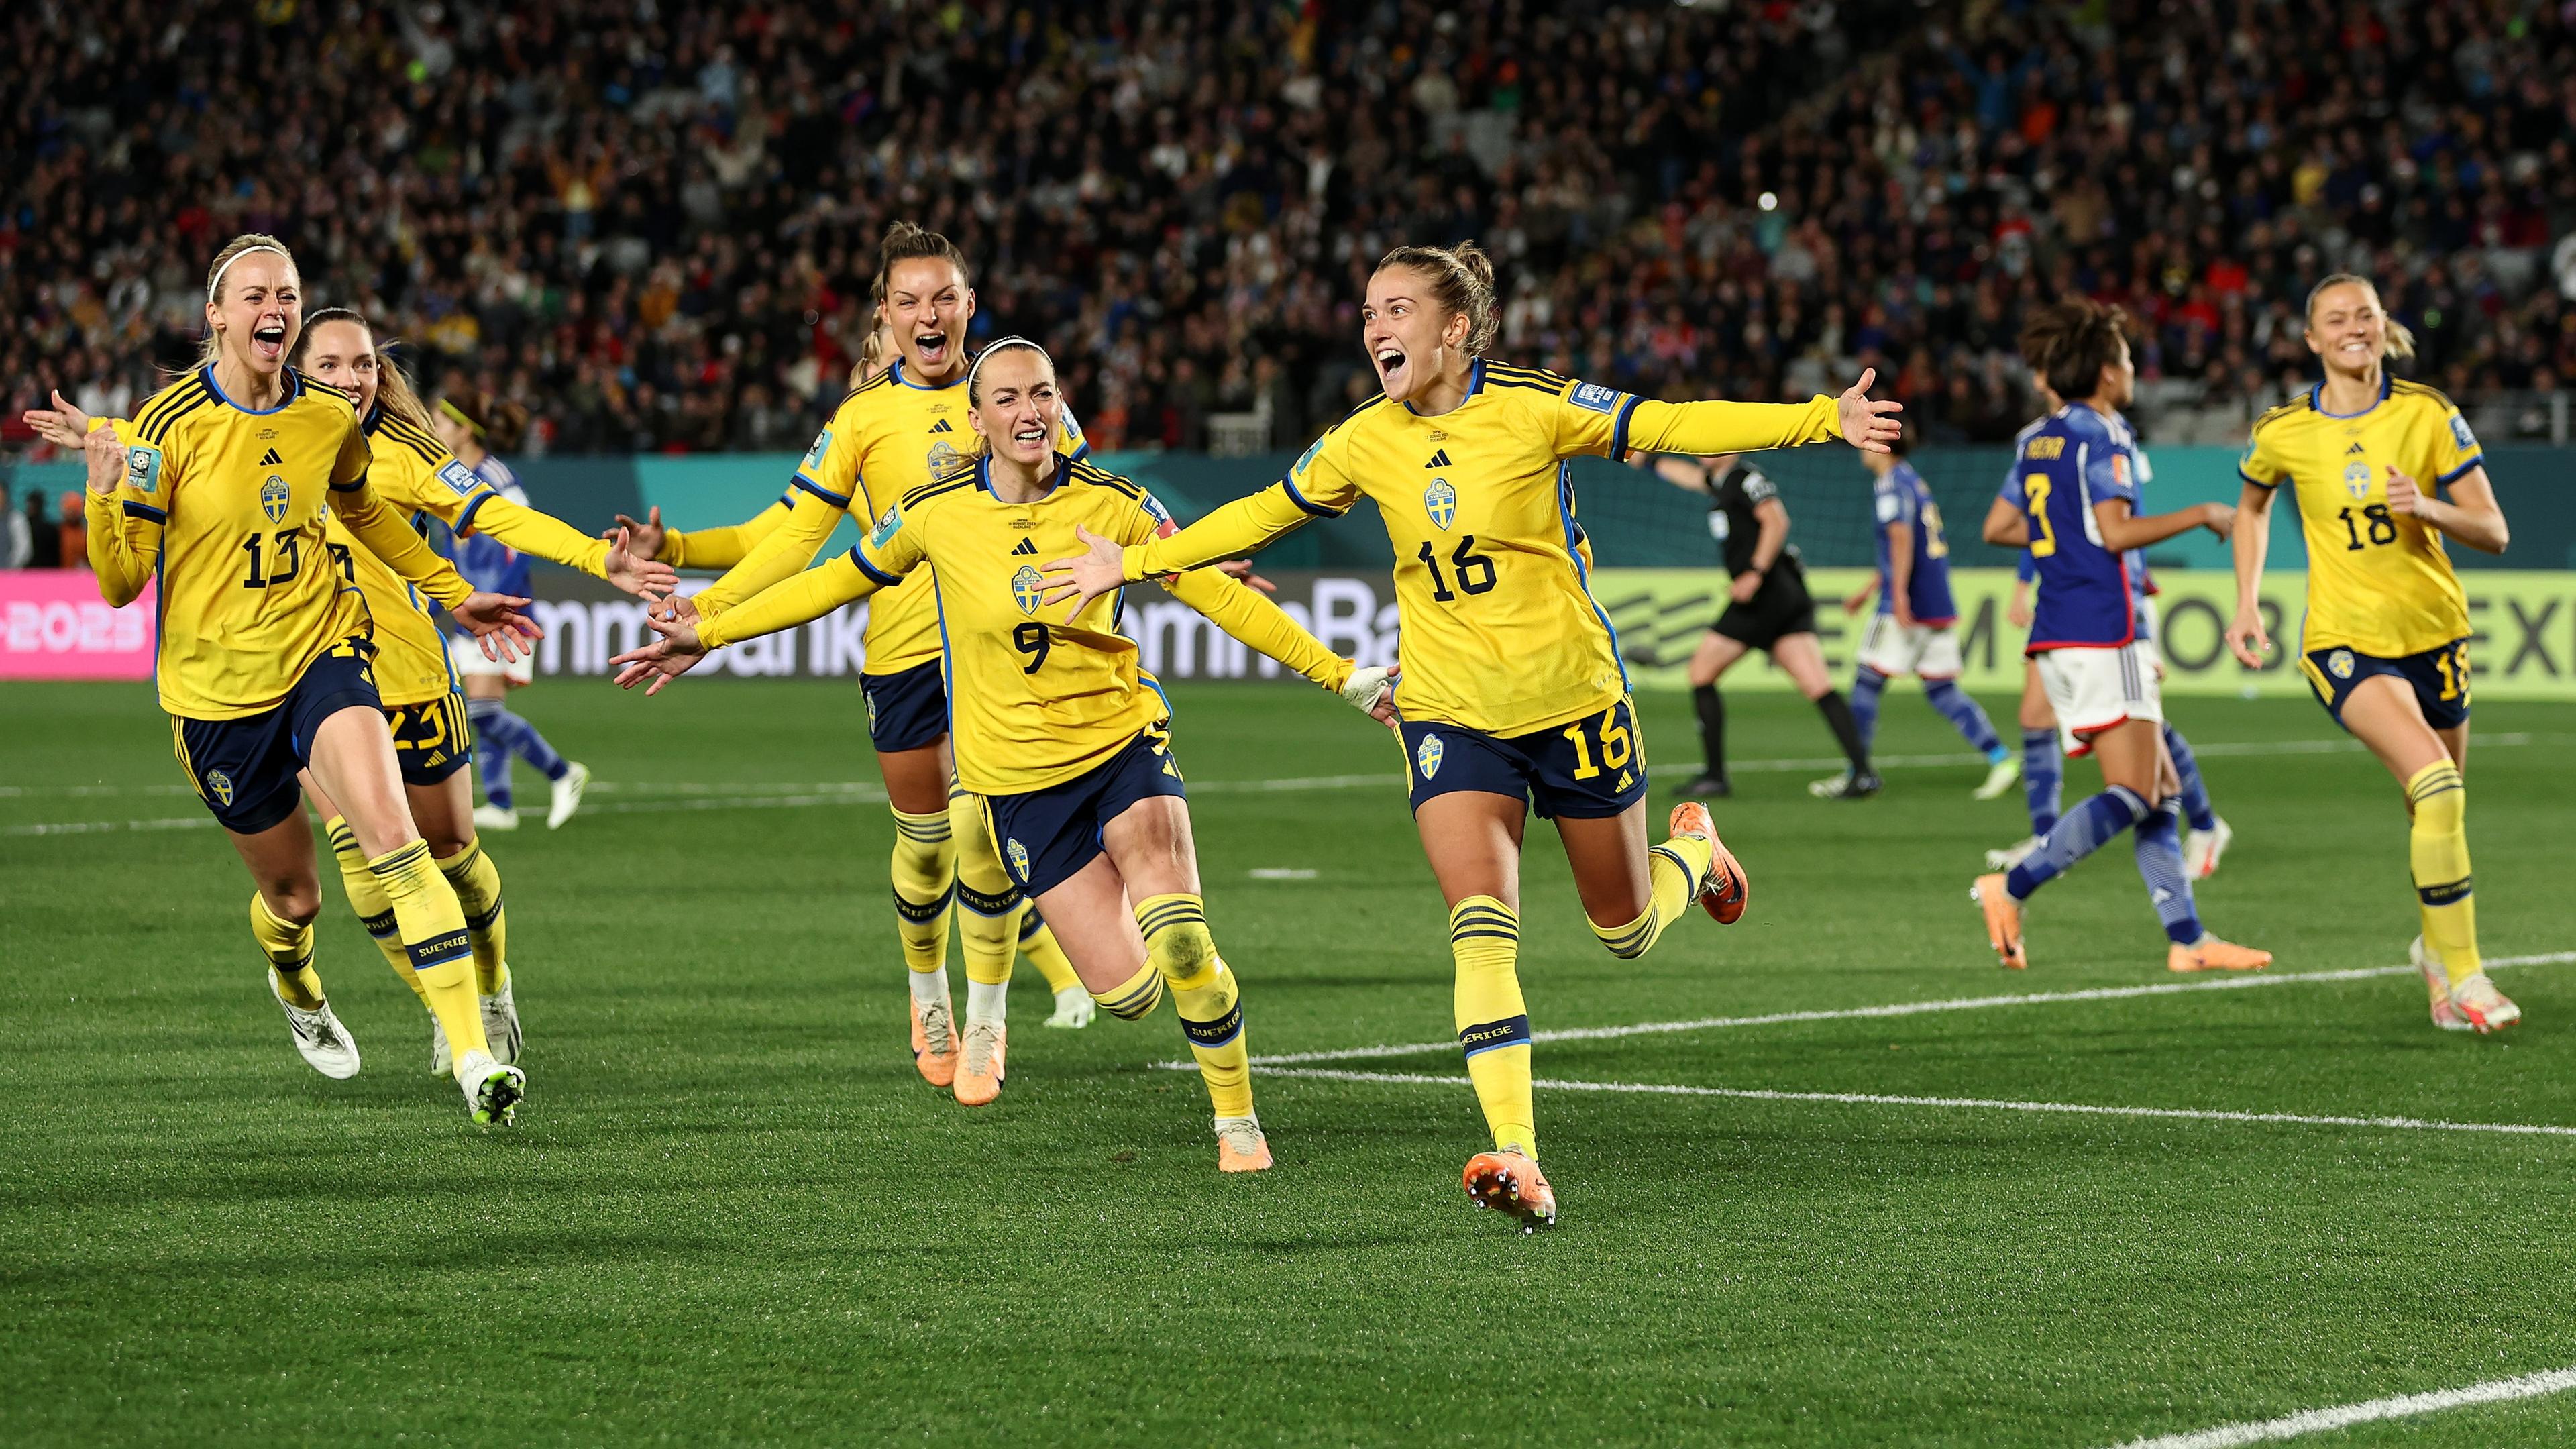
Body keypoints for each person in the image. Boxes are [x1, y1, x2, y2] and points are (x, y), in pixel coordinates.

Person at [1046, 242, 1899, 1229]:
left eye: (1396, 310)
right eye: (1368, 312)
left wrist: (1819, 420)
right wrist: (1140, 560)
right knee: (1480, 930)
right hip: (1449, 713)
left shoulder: (1536, 407)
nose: (1375, 329)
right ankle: (1518, 1155)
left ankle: (1695, 849)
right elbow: (1264, 512)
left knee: (1621, 930)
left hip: (1574, 701)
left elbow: (1669, 423)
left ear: (1455, 327)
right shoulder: (1364, 439)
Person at [611, 339, 1390, 1158]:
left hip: (1122, 745)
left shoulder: (1115, 503)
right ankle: (1124, 944)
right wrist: (711, 630)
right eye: (1010, 400)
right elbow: (828, 581)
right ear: (976, 419)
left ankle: (1238, 1124)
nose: (1030, 413)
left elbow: (1218, 600)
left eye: (1044, 396)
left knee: (1186, 942)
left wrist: (1345, 677)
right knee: (1130, 994)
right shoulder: (934, 512)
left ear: (1062, 406)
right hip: (1021, 786)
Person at [24, 233, 538, 1123]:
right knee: (294, 895)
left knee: (394, 839)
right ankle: (293, 976)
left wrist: (455, 595)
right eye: (257, 295)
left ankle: (470, 1060)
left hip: (322, 656)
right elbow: (118, 586)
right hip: (216, 699)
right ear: (216, 316)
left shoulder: (327, 419)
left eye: (290, 295)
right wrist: (106, 490)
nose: (277, 309)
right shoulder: (161, 429)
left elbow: (363, 510)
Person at [637, 225, 1099, 1093]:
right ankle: (929, 996)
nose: (929, 314)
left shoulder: (1019, 395)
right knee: (924, 847)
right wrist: (705, 607)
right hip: (902, 661)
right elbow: (793, 542)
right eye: (909, 301)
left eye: (944, 298)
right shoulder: (861, 420)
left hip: (998, 655)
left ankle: (988, 1027)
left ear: (969, 305)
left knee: (978, 834)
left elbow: (1098, 506)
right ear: (884, 317)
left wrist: (1183, 553)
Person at [291, 309, 674, 1073]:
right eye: (329, 365)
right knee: (365, 868)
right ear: (297, 370)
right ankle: (452, 1011)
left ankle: (493, 987)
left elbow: (498, 514)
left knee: (455, 853)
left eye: (362, 364)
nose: (348, 379)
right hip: (310, 682)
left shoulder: (404, 452)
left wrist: (599, 560)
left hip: (412, 682)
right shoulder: (258, 442)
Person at [2228, 275, 2516, 1032]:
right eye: (2336, 319)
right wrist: (2247, 600)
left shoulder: (2428, 415)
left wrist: (2427, 506)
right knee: (2439, 788)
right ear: (2312, 339)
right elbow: (2253, 507)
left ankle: (2432, 954)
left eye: (2365, 315)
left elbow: (2493, 530)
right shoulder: (2283, 430)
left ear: (2385, 327)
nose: (2353, 327)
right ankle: (2468, 975)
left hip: (2437, 637)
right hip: (2344, 643)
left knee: (2434, 805)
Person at [1972, 298, 2269, 975]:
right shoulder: (2105, 435)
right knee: (2136, 790)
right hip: (2107, 627)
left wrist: (2062, 545)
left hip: (2059, 630)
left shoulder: (2036, 437)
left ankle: (2188, 939)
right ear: (2107, 373)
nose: (2134, 370)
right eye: (2128, 359)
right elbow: (2116, 533)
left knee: (2158, 785)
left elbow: (1998, 527)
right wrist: (2201, 513)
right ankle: (2011, 888)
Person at [1631, 449, 1877, 799]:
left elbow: (1777, 521)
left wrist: (1754, 573)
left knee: (1701, 673)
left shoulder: (1747, 478)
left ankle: (1715, 775)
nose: (1699, 449)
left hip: (1766, 595)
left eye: (1708, 443)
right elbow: (1682, 474)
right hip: (1784, 596)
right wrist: (1643, 459)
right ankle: (1864, 773)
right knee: (1817, 684)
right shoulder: (1718, 481)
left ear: (1730, 448)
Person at [429, 385, 588, 833]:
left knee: (478, 711)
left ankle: (562, 772)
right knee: (483, 708)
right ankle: (500, 803)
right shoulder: (451, 475)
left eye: (441, 421)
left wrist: (498, 603)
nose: (434, 428)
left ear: (464, 430)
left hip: (500, 611)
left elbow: (522, 543)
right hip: (473, 611)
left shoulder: (495, 478)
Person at [1832, 427, 2017, 800]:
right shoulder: (1912, 481)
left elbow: (1901, 539)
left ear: (1883, 447)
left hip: (1908, 603)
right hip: (1936, 600)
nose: (1861, 450)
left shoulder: (1889, 485)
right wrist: (1869, 590)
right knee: (1943, 690)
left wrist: (1897, 594)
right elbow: (1903, 544)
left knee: (1866, 684)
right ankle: (2001, 758)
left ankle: (1859, 771)